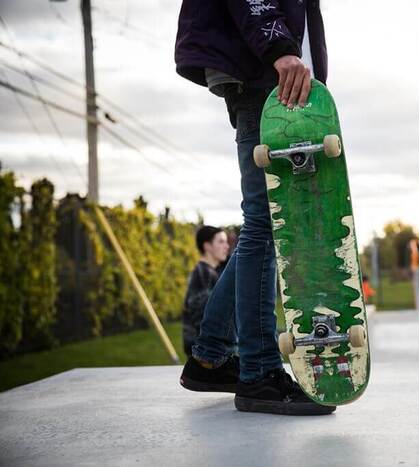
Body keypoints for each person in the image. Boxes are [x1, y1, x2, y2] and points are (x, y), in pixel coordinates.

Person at [174, 0, 334, 415]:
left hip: (274, 84)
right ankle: (259, 373)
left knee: (262, 227)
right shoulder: (272, 56)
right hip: (266, 80)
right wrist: (279, 48)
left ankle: (210, 356)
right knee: (265, 227)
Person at [182, 226, 230, 357]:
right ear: (207, 246)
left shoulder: (210, 272)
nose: (226, 246)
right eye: (221, 241)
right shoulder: (203, 273)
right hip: (205, 354)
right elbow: (203, 316)